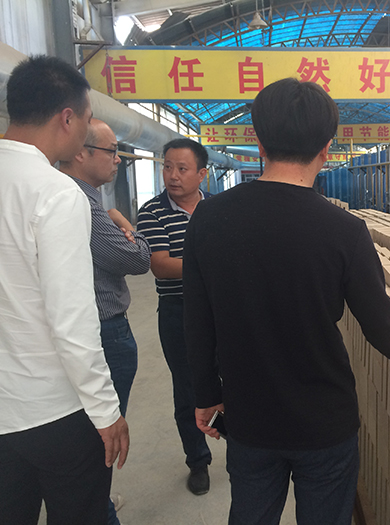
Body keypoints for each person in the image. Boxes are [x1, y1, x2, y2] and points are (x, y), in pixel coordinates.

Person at [183, 77, 390, 525]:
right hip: (324, 419)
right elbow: (377, 320)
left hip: (250, 415)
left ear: (259, 142)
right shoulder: (344, 231)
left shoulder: (209, 218)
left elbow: (197, 319)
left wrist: (205, 394)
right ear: (326, 147)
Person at [0, 56, 129, 525]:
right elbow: (71, 320)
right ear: (67, 118)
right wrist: (106, 410)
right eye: (89, 119)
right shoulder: (56, 192)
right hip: (54, 411)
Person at [60, 119, 151, 524]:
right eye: (112, 151)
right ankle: (98, 509)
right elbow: (138, 259)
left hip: (90, 330)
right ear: (81, 152)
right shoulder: (84, 205)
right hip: (105, 332)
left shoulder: (77, 198)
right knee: (103, 435)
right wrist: (127, 225)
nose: (117, 160)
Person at [136, 138, 213, 495]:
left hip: (220, 309)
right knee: (188, 389)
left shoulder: (217, 208)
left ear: (202, 174)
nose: (173, 175)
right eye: (167, 167)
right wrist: (214, 265)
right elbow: (162, 265)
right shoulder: (152, 212)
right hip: (178, 311)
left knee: (236, 380)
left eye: (182, 169)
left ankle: (242, 449)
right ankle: (198, 460)